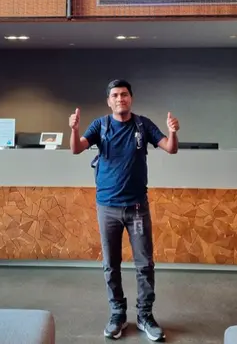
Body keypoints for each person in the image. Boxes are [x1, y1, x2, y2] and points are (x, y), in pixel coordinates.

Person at [69, 79, 180, 341]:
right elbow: (76, 149)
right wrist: (73, 129)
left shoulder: (143, 125)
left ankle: (145, 315)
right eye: (116, 95)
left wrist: (173, 132)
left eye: (125, 95)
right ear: (109, 101)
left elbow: (170, 148)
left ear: (131, 98)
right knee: (111, 265)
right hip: (107, 207)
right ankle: (118, 313)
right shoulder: (101, 125)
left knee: (145, 264)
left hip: (137, 208)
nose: (121, 99)